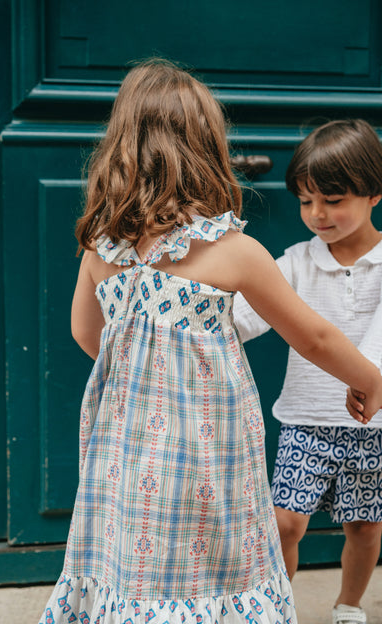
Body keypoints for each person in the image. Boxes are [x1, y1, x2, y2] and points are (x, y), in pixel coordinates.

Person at [39, 65, 382, 624]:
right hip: (206, 443)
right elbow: (314, 336)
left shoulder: (102, 249)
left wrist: (143, 369)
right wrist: (369, 378)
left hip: (125, 441)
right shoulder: (232, 250)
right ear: (204, 149)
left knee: (134, 546)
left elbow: (86, 334)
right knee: (211, 552)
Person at [234, 119, 382, 624]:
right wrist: (205, 324)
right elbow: (250, 312)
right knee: (284, 523)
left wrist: (369, 376)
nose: (317, 214)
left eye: (334, 199)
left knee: (364, 528)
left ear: (374, 194)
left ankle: (349, 605)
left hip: (373, 426)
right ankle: (274, 607)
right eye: (305, 201)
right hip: (306, 422)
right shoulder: (295, 262)